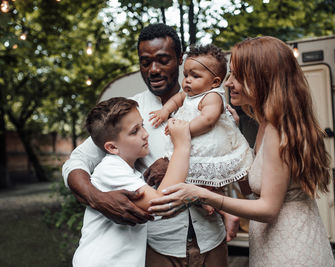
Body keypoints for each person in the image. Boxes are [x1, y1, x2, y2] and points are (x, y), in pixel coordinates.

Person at [149, 36, 335, 266]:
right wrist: (231, 133)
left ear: (261, 78)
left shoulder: (279, 129)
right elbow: (256, 181)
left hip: (290, 247)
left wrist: (203, 194)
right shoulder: (267, 123)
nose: (227, 83)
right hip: (274, 241)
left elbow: (268, 208)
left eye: (237, 76)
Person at [62, 23, 238, 266]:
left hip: (212, 237)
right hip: (159, 246)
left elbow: (228, 159)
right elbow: (75, 162)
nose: (153, 69)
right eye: (145, 62)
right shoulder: (128, 113)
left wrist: (227, 209)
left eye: (163, 60)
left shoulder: (210, 104)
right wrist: (97, 199)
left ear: (179, 59)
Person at [73, 97, 191, 267]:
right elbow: (161, 202)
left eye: (142, 125)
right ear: (112, 147)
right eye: (135, 131)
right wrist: (182, 145)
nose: (145, 133)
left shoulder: (129, 172)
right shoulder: (111, 169)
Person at [148, 44, 253, 191]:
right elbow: (176, 100)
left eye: (195, 76)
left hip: (210, 143)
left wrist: (183, 130)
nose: (188, 80)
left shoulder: (212, 96)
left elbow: (208, 121)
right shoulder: (189, 94)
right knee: (191, 176)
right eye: (185, 75)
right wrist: (165, 110)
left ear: (215, 82)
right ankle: (206, 204)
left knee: (211, 177)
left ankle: (223, 203)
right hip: (193, 144)